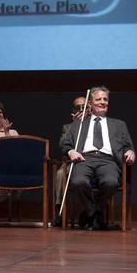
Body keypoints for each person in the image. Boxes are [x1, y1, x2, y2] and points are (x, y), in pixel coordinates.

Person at [61, 86, 135, 230]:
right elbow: (66, 145)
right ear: (90, 104)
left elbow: (128, 146)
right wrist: (71, 152)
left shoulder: (119, 124)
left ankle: (91, 213)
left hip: (108, 160)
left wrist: (131, 152)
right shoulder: (79, 124)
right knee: (77, 181)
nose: (103, 102)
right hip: (84, 158)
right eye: (98, 99)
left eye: (105, 99)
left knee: (111, 182)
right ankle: (95, 213)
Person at [52, 95, 87, 226]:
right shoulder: (68, 127)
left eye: (85, 107)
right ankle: (59, 211)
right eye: (79, 108)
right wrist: (75, 126)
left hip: (92, 163)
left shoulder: (95, 124)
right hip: (73, 163)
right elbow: (63, 146)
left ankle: (92, 212)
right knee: (61, 174)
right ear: (74, 112)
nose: (82, 110)